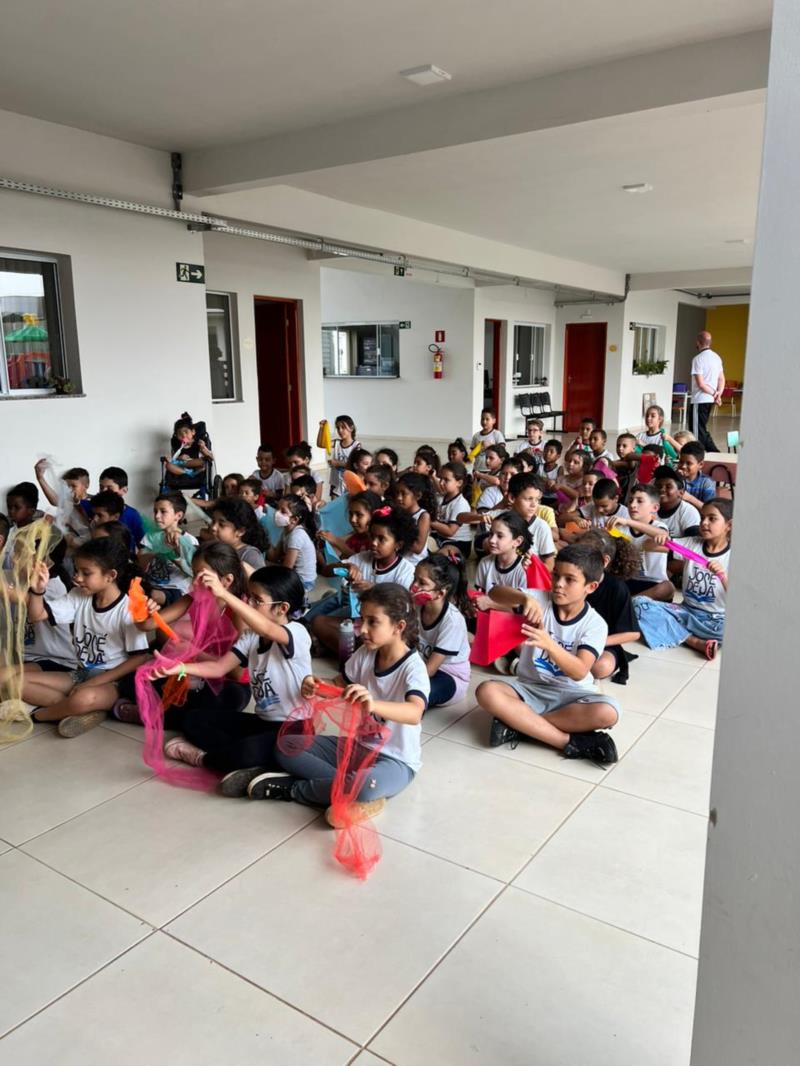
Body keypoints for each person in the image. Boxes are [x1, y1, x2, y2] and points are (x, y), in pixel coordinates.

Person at [252, 583, 428, 827]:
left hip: (395, 761)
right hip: (358, 748)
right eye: (362, 620)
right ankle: (350, 792)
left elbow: (414, 712)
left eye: (373, 622)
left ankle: (295, 789)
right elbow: (337, 684)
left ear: (399, 627)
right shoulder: (365, 653)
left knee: (365, 786)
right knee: (286, 745)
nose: (362, 629)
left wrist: (373, 704)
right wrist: (316, 686)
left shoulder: (413, 667)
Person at [151, 566, 312, 795]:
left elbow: (266, 627)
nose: (249, 605)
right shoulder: (251, 638)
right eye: (249, 598)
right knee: (194, 719)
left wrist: (224, 594)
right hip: (264, 723)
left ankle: (205, 759)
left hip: (295, 728)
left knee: (247, 751)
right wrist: (179, 667)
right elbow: (218, 667)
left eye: (257, 601)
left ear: (282, 608)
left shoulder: (296, 633)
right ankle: (255, 765)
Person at [476, 544, 620, 764]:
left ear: (590, 587)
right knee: (486, 691)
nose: (559, 584)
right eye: (556, 575)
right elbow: (495, 593)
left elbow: (580, 671)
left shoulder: (595, 624)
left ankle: (520, 725)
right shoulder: (537, 600)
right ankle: (566, 741)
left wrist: (550, 644)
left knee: (608, 712)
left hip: (573, 694)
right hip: (531, 688)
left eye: (570, 579)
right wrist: (523, 599)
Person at [21, 538, 149, 737]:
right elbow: (37, 616)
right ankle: (77, 709)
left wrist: (93, 684)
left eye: (86, 573)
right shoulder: (78, 595)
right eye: (77, 570)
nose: (77, 578)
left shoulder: (128, 609)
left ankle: (41, 715)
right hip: (80, 674)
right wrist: (37, 590)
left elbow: (140, 658)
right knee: (15, 683)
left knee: (83, 697)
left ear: (110, 576)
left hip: (113, 681)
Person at [634, 498, 732, 659]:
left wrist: (723, 576)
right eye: (702, 518)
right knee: (638, 605)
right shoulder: (691, 544)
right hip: (685, 612)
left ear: (729, 525)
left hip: (715, 621)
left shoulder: (733, 556)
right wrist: (658, 539)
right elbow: (647, 546)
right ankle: (693, 641)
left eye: (712, 518)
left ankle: (677, 631)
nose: (704, 523)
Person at [311, 504, 416, 654]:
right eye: (372, 537)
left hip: (385, 629)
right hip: (360, 622)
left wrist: (375, 590)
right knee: (318, 622)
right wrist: (345, 567)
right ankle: (356, 653)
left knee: (378, 643)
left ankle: (347, 652)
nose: (373, 543)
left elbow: (404, 609)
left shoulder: (405, 570)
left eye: (381, 539)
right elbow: (326, 571)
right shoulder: (362, 558)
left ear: (398, 545)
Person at [578, 529, 640, 684]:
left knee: (600, 667)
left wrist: (595, 641)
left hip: (602, 643)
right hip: (567, 637)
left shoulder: (616, 588)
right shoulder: (570, 579)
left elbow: (632, 633)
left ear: (604, 561)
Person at [412, 554, 471, 709]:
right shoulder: (416, 607)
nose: (414, 586)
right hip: (421, 666)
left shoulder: (452, 620)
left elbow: (430, 670)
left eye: (422, 583)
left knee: (416, 694)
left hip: (448, 676)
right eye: (414, 579)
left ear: (441, 593)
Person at [608, 483, 674, 601]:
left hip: (653, 583)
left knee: (667, 587)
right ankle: (630, 602)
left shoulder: (659, 526)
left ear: (655, 508)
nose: (632, 505)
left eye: (639, 501)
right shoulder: (620, 528)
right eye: (630, 500)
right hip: (628, 580)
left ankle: (630, 602)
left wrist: (629, 522)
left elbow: (663, 535)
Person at [138, 491, 198, 606]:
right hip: (153, 584)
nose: (157, 516)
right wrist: (155, 551)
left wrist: (172, 554)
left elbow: (193, 572)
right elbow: (141, 564)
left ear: (178, 515)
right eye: (155, 511)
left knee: (153, 596)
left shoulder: (190, 541)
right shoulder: (149, 537)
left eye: (163, 512)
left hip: (178, 589)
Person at [472, 512, 533, 610]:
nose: (491, 540)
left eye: (500, 536)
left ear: (517, 541)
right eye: (491, 534)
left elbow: (523, 609)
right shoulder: (485, 563)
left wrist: (491, 604)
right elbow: (480, 596)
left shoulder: (523, 570)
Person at [80, 467, 145, 546]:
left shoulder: (133, 515)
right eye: (101, 487)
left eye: (109, 488)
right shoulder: (91, 506)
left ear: (124, 490)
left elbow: (142, 545)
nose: (104, 491)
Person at [268, 494, 318, 594]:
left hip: (304, 582)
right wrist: (264, 540)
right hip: (293, 575)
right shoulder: (285, 532)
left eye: (283, 511)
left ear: (294, 519)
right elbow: (273, 557)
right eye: (277, 509)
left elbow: (286, 570)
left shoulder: (297, 535)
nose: (277, 513)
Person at [208, 498, 269, 575]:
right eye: (213, 521)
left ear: (240, 531)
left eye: (221, 524)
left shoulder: (249, 555)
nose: (213, 527)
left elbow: (261, 585)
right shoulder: (214, 548)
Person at [690, 330, 725, 451]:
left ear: (698, 342)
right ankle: (715, 453)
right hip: (710, 400)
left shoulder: (697, 359)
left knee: (696, 432)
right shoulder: (717, 358)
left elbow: (700, 384)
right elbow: (721, 379)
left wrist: (715, 394)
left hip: (700, 399)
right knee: (701, 429)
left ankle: (710, 453)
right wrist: (718, 395)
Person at [429, 461, 473, 557]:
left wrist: (429, 521)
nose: (441, 482)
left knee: (440, 557)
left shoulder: (460, 503)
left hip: (458, 543)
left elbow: (450, 531)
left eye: (446, 480)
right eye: (440, 478)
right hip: (441, 538)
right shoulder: (441, 498)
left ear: (459, 482)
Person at [395, 472, 435, 567]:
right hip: (400, 561)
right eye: (397, 493)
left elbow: (418, 548)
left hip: (415, 564)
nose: (398, 498)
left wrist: (395, 538)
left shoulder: (423, 516)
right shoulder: (398, 512)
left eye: (404, 494)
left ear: (417, 496)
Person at [318, 415, 360, 498]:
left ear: (351, 428)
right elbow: (320, 444)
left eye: (343, 427)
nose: (340, 430)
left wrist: (338, 463)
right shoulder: (336, 443)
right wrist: (321, 428)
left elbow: (356, 465)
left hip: (349, 483)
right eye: (338, 428)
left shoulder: (356, 445)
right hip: (335, 482)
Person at [653, 467, 701, 538]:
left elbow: (692, 544)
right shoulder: (647, 507)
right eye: (658, 486)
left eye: (668, 487)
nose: (662, 489)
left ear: (681, 493)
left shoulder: (689, 512)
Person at [677, 443, 717, 509]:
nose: (683, 466)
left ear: (701, 464)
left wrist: (689, 498)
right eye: (681, 462)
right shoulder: (675, 478)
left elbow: (710, 509)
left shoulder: (707, 483)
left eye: (688, 463)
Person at [469, 408, 505, 473]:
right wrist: (478, 448)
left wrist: (490, 445)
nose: (484, 422)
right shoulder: (476, 436)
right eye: (482, 419)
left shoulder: (497, 434)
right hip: (478, 469)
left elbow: (502, 450)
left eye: (487, 419)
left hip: (491, 470)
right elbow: (472, 455)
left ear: (494, 421)